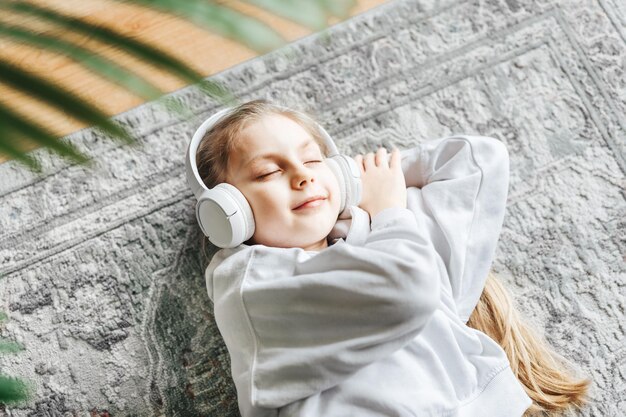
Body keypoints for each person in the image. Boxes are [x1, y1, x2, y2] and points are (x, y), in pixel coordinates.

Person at [191, 99, 590, 416]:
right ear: (229, 212)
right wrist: (388, 209)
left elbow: (478, 160)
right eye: (266, 173)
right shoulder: (251, 286)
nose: (303, 176)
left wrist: (362, 181)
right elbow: (409, 291)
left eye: (313, 160)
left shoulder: (376, 230)